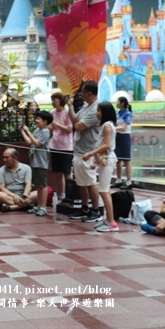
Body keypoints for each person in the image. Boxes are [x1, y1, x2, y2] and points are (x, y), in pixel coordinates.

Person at [67, 81, 102, 223]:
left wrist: (77, 123)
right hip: (79, 150)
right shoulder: (86, 107)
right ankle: (84, 207)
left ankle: (95, 209)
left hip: (89, 151)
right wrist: (69, 106)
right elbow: (75, 120)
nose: (81, 95)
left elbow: (79, 126)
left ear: (89, 93)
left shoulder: (96, 109)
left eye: (82, 92)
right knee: (81, 181)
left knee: (90, 181)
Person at [82, 101, 119, 232]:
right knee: (104, 190)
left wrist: (90, 154)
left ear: (105, 113)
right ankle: (108, 219)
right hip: (106, 159)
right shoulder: (107, 125)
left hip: (108, 159)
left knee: (104, 190)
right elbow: (103, 148)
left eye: (98, 111)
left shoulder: (107, 126)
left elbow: (106, 146)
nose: (97, 113)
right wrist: (95, 163)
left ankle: (111, 222)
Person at [20, 110, 53, 217]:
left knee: (42, 185)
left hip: (41, 162)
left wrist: (28, 131)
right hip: (34, 161)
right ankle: (38, 206)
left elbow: (38, 144)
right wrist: (23, 131)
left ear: (45, 122)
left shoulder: (45, 131)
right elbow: (30, 142)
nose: (36, 120)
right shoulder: (38, 130)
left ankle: (43, 207)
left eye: (39, 119)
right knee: (38, 185)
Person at [48, 92, 74, 204]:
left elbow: (69, 129)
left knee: (67, 172)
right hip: (54, 145)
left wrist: (56, 124)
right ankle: (60, 194)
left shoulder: (67, 112)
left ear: (60, 101)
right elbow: (50, 127)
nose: (53, 102)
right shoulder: (52, 112)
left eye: (55, 99)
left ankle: (71, 193)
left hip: (66, 146)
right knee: (57, 172)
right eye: (52, 100)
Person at [113, 96, 134, 189]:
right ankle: (119, 180)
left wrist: (112, 128)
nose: (116, 103)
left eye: (118, 101)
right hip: (117, 137)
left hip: (125, 137)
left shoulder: (127, 114)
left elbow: (124, 127)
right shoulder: (118, 113)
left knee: (126, 160)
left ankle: (129, 181)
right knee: (118, 160)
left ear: (122, 103)